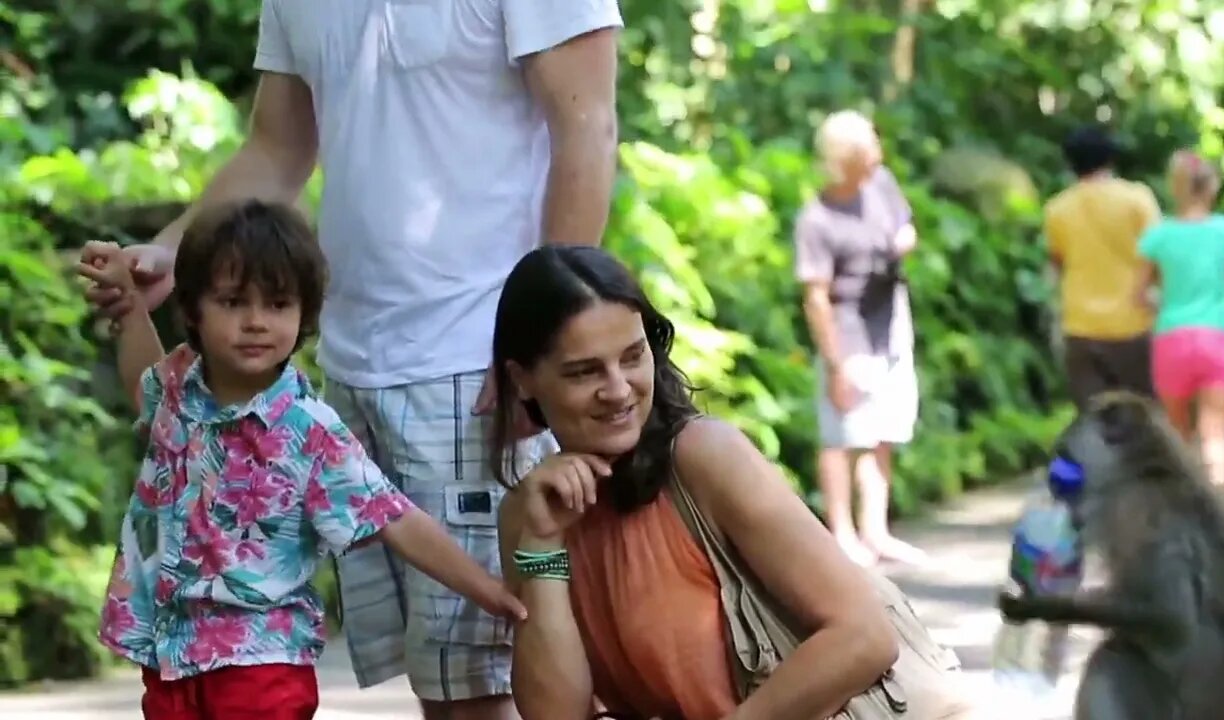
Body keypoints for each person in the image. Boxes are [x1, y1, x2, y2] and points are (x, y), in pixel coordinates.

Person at [84, 2, 622, 717]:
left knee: (486, 676)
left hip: (478, 357)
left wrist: (538, 345)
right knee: (438, 678)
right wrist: (175, 249)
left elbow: (587, 127)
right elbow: (276, 149)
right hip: (344, 361)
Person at [77, 200, 525, 720]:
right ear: (193, 309)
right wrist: (129, 305)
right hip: (170, 648)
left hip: (260, 659)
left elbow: (394, 518)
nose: (255, 322)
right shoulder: (179, 385)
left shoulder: (309, 430)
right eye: (232, 301)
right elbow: (143, 390)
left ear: (304, 313)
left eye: (277, 304)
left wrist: (490, 591)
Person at [488, 245, 899, 720]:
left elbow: (864, 635)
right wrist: (541, 543)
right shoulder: (528, 514)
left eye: (632, 356)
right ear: (522, 380)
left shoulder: (704, 456)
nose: (619, 389)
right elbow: (555, 715)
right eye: (584, 372)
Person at [793, 109, 925, 567]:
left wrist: (904, 240)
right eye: (867, 152)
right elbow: (816, 296)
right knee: (842, 435)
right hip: (847, 332)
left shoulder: (882, 184)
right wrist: (835, 364)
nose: (876, 157)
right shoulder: (817, 220)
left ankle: (876, 530)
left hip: (889, 320)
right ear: (842, 160)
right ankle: (842, 533)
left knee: (883, 429)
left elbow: (905, 224)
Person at [1134, 151, 1224, 486]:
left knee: (1177, 435)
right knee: (1214, 434)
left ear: (1176, 187)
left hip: (1173, 337)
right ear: (1212, 187)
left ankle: (1181, 513)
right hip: (1217, 335)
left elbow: (1139, 295)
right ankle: (1223, 510)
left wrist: (1165, 308)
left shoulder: (1158, 236)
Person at [1043, 125, 1161, 409]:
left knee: (1094, 422)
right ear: (1111, 157)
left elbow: (1058, 263)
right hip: (1133, 324)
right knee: (1142, 418)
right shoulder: (1137, 199)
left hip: (1081, 327)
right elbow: (1158, 256)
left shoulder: (1057, 209)